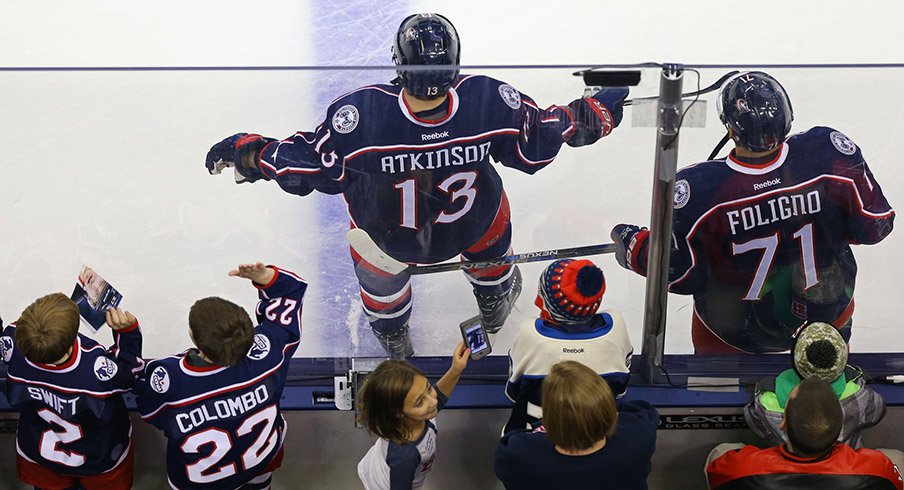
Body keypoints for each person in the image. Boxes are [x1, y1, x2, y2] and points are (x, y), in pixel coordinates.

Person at [205, 13, 629, 358]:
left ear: (398, 63)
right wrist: (602, 105)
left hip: (389, 241)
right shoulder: (488, 99)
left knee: (381, 290)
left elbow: (309, 166)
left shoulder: (361, 114)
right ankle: (494, 303)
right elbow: (547, 134)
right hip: (474, 224)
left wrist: (247, 152)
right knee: (493, 245)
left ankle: (395, 342)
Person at [611, 71, 894, 354]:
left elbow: (683, 275)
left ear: (730, 129)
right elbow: (874, 226)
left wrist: (636, 247)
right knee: (826, 387)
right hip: (826, 316)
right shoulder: (826, 152)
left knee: (714, 394)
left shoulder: (701, 191)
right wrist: (820, 224)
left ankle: (716, 394)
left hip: (734, 335)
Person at [134, 263, 307, 490]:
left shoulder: (173, 377)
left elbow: (150, 410)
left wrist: (127, 335)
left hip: (202, 481)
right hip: (261, 459)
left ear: (195, 340)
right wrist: (266, 277)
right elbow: (290, 295)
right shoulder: (268, 354)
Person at [0, 293, 143, 490]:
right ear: (68, 346)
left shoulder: (11, 343)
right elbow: (130, 374)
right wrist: (128, 333)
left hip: (42, 456)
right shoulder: (94, 370)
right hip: (97, 459)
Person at [503, 259, 633, 433]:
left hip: (532, 436)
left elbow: (513, 393)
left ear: (546, 301)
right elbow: (620, 390)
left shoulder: (530, 334)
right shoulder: (616, 326)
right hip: (599, 430)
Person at [707, 376, 903, 489]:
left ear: (783, 423)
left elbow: (717, 476)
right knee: (896, 458)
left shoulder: (741, 469)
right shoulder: (876, 469)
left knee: (721, 451)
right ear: (839, 430)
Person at [495, 361, 658, 490]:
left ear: (549, 419)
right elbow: (642, 410)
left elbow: (512, 439)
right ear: (607, 410)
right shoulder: (638, 437)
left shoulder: (519, 455)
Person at [745, 321, 886, 449]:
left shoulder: (768, 401)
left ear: (795, 356)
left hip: (789, 473)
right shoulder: (857, 393)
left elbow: (753, 419)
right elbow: (877, 411)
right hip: (844, 470)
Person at [356, 340, 469, 490]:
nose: (432, 401)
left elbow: (438, 397)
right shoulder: (405, 455)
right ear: (398, 413)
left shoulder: (418, 414)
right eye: (419, 402)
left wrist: (456, 369)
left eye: (428, 389)